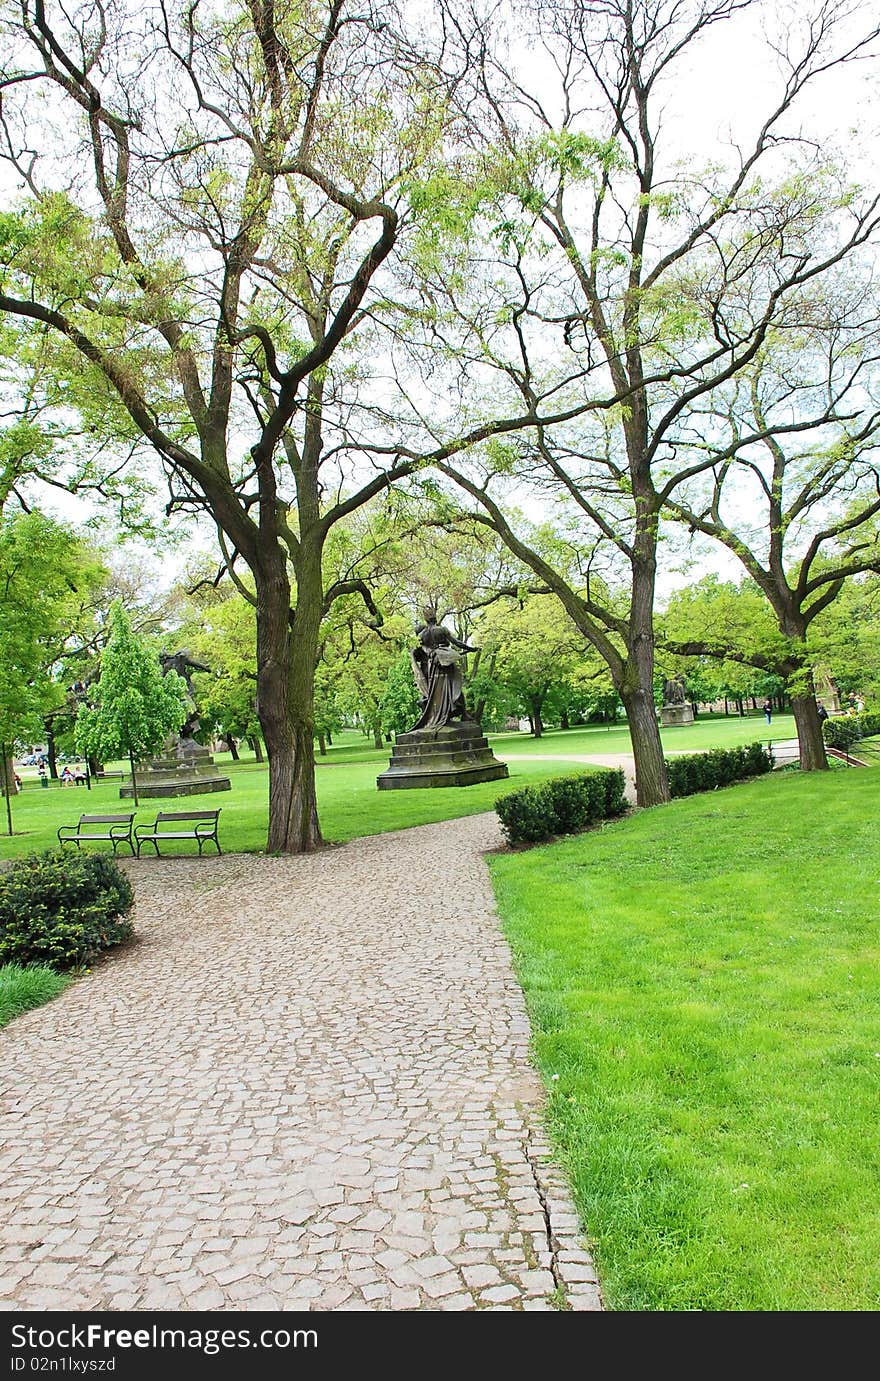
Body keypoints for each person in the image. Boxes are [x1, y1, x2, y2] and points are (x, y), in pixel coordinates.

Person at [409, 605, 478, 731]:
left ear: (426, 620)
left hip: (432, 668)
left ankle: (441, 714)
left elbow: (415, 652)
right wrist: (471, 649)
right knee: (455, 687)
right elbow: (457, 643)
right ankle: (462, 714)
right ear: (435, 618)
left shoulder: (422, 635)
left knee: (436, 691)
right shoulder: (442, 630)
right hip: (445, 665)